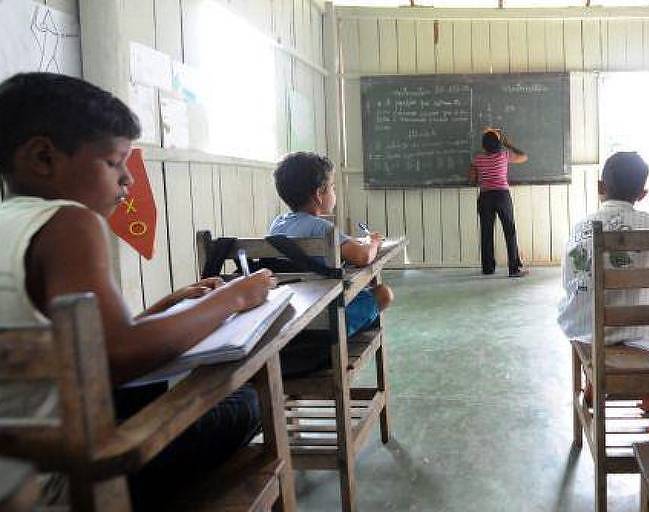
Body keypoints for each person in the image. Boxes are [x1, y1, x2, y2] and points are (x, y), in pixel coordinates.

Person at [0, 72, 276, 509]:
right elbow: (116, 356)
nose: (127, 180)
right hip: (65, 479)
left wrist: (165, 309)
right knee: (247, 402)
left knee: (151, 386)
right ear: (43, 158)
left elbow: (77, 347)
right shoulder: (69, 222)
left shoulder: (10, 223)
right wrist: (235, 297)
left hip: (18, 456)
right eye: (114, 162)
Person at [558, 151, 649, 413]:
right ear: (642, 194)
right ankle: (648, 389)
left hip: (589, 335)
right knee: (640, 330)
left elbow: (569, 284)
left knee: (582, 312)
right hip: (637, 334)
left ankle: (594, 380)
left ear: (601, 187)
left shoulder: (580, 227)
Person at [269, 152, 393, 338]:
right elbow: (363, 257)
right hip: (327, 316)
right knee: (383, 294)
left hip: (290, 313)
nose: (334, 193)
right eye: (333, 188)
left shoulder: (277, 224)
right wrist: (373, 242)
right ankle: (341, 338)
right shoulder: (322, 228)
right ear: (319, 194)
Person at [468, 128, 528, 277]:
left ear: (483, 145)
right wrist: (508, 144)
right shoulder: (504, 155)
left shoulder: (477, 159)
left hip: (485, 197)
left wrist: (480, 176)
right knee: (510, 231)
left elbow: (472, 178)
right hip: (502, 195)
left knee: (486, 232)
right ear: (498, 144)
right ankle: (514, 269)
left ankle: (488, 268)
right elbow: (524, 156)